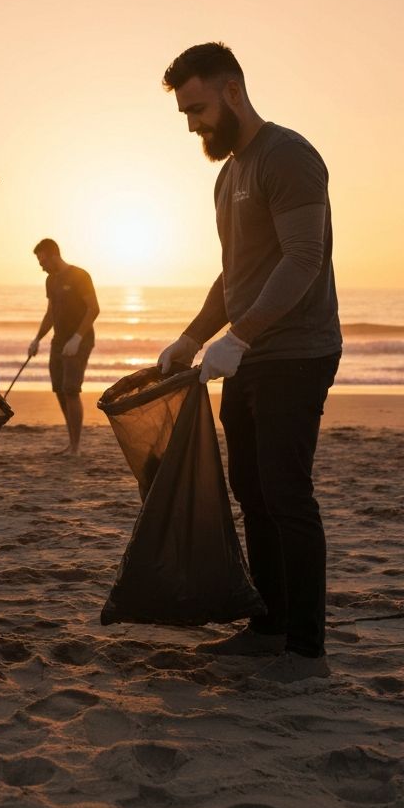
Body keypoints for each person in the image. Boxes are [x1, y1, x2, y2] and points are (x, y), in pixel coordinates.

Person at [156, 42, 342, 684]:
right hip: (252, 355)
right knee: (251, 492)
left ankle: (307, 652)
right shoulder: (227, 174)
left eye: (199, 108)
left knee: (287, 494)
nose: (192, 125)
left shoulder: (286, 155)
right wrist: (192, 336)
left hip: (297, 350)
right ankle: (269, 628)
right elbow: (235, 274)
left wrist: (244, 336)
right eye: (185, 113)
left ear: (233, 91)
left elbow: (302, 258)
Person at [27, 239, 100, 454]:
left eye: (42, 259)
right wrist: (37, 339)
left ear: (52, 255)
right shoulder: (50, 280)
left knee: (70, 389)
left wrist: (77, 338)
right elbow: (50, 313)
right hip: (58, 341)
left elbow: (94, 309)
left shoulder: (80, 275)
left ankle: (76, 447)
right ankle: (71, 442)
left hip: (80, 339)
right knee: (59, 389)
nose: (40, 265)